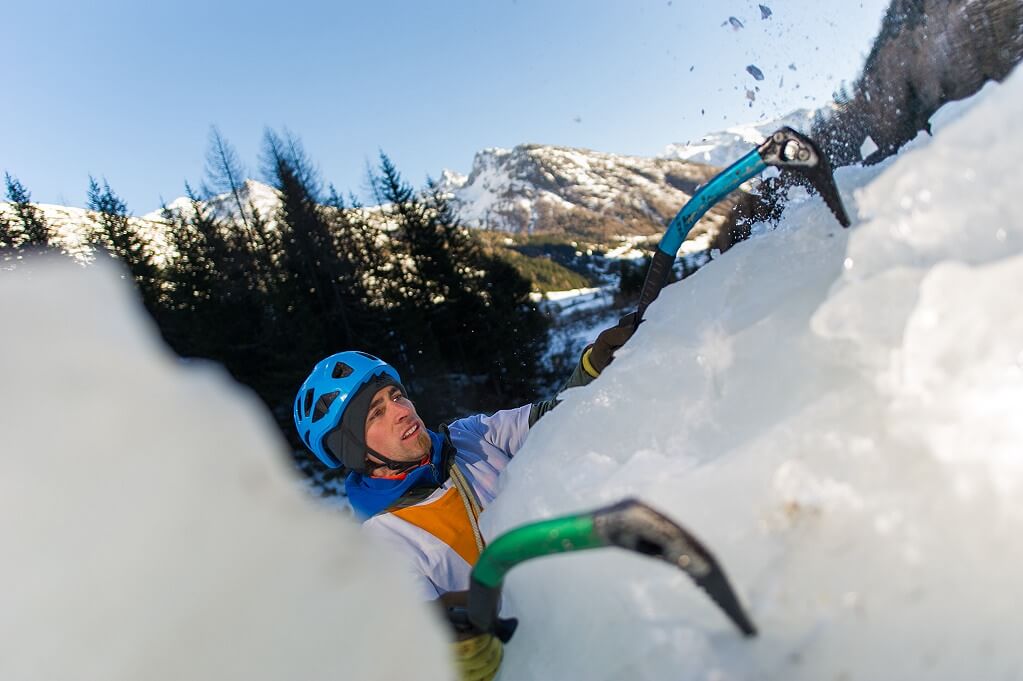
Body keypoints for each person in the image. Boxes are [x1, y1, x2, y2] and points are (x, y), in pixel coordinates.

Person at [294, 314, 637, 681]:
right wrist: (461, 654)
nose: (402, 410)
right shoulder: (383, 547)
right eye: (376, 413)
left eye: (396, 395)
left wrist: (595, 367)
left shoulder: (472, 436)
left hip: (609, 616)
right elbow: (426, 649)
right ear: (356, 452)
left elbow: (556, 420)